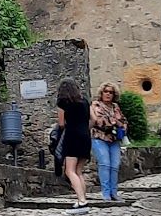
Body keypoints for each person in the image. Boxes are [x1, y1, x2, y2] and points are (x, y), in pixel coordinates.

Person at [54, 79, 92, 208]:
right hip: (86, 136)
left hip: (72, 137)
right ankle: (83, 198)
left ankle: (81, 200)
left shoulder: (63, 102)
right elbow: (92, 119)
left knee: (69, 171)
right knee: (79, 171)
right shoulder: (85, 102)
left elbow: (61, 124)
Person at [91, 82, 127, 202]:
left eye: (111, 92)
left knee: (115, 165)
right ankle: (106, 193)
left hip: (114, 139)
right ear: (101, 93)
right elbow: (100, 121)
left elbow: (124, 122)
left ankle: (114, 193)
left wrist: (118, 123)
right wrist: (116, 122)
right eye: (105, 91)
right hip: (99, 138)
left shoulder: (115, 106)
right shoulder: (96, 105)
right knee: (105, 164)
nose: (108, 94)